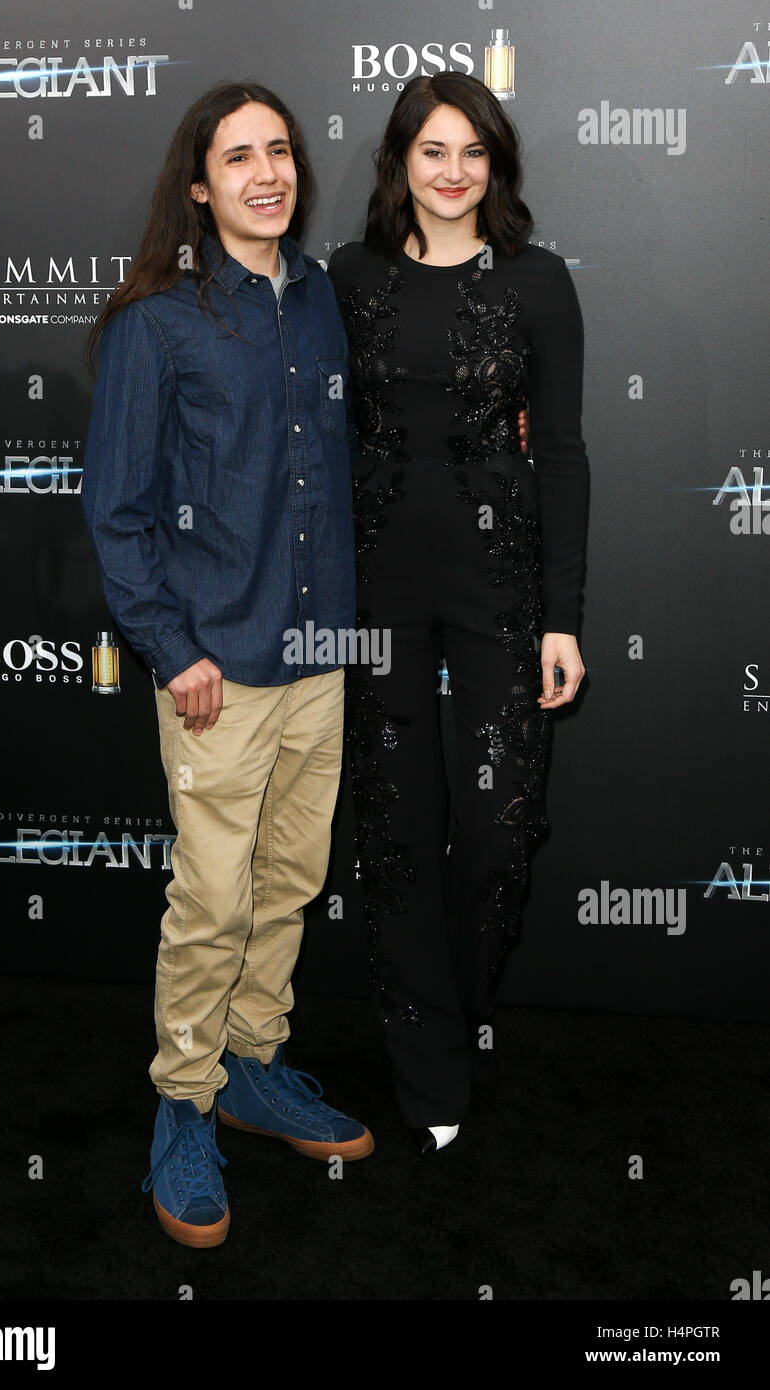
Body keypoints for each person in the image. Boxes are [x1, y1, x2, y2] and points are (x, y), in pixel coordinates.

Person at [80, 80, 374, 1249]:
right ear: (199, 186)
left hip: (320, 653)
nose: (268, 172)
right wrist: (171, 648)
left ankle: (255, 1062)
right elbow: (117, 508)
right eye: (239, 156)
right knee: (208, 902)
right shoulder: (159, 321)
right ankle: (184, 1102)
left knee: (290, 882)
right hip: (218, 668)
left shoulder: (317, 301)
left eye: (281, 152)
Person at [327, 73, 589, 1155]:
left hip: (501, 586)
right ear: (399, 161)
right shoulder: (348, 277)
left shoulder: (536, 281)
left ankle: (455, 1013)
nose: (450, 171)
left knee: (492, 834)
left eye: (471, 152)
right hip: (377, 586)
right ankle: (425, 1060)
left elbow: (563, 451)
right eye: (431, 150)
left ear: (495, 165)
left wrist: (563, 617)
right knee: (393, 833)